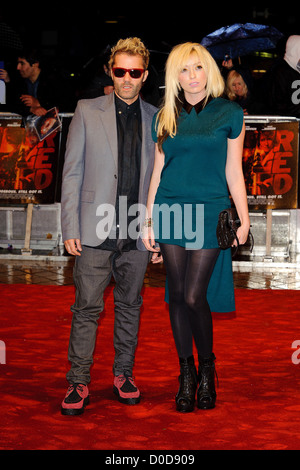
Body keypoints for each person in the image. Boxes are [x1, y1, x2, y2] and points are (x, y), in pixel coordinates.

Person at [142, 42, 250, 413]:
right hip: (171, 208)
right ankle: (185, 374)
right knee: (175, 295)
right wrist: (149, 220)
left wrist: (244, 216)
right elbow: (157, 172)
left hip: (210, 211)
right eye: (184, 70)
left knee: (192, 295)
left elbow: (233, 170)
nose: (192, 77)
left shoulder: (230, 113)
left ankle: (207, 368)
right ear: (176, 76)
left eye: (198, 68)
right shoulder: (165, 116)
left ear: (209, 72)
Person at [60, 37, 157, 416]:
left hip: (137, 231)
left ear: (145, 75)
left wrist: (158, 231)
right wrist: (69, 225)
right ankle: (78, 380)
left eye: (135, 72)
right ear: (110, 72)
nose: (127, 79)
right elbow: (72, 173)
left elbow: (160, 182)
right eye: (120, 71)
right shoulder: (86, 110)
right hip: (94, 228)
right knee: (86, 308)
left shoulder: (157, 117)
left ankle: (124, 374)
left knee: (130, 305)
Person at [1, 48, 61, 116]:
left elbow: (64, 104)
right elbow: (10, 104)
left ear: (35, 64)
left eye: (22, 63)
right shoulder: (20, 81)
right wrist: (31, 109)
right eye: (18, 63)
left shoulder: (53, 80)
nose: (18, 67)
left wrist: (39, 103)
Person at [265, 35, 300, 118]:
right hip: (288, 125)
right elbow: (277, 104)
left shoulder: (296, 69)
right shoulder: (279, 72)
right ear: (295, 50)